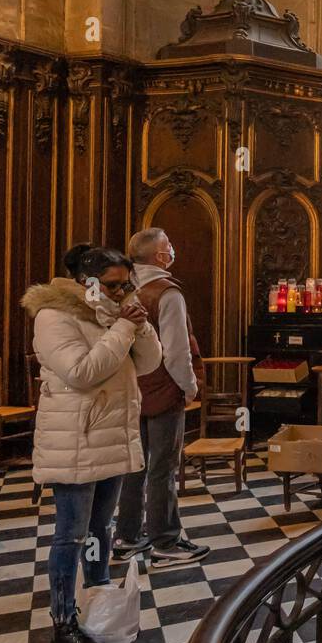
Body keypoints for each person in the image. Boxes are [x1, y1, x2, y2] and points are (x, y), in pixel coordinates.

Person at [22, 247, 162, 643]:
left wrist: (140, 327)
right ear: (88, 282)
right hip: (75, 441)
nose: (123, 293)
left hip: (111, 436)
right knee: (70, 536)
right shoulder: (53, 316)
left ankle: (97, 603)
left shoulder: (111, 312)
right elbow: (82, 373)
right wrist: (122, 326)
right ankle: (62, 625)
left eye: (127, 285)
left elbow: (150, 364)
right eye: (115, 285)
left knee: (102, 528)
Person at [113, 228, 210, 569]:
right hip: (164, 387)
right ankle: (165, 541)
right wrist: (189, 386)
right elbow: (177, 351)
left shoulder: (126, 289)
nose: (172, 248)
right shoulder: (167, 293)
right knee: (163, 467)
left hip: (132, 387)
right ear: (158, 256)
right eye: (169, 244)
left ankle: (126, 536)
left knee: (135, 465)